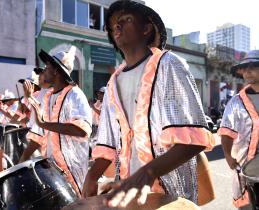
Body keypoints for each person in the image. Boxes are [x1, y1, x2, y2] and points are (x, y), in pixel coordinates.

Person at [82, 0, 214, 208]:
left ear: (146, 28)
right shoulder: (112, 83)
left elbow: (194, 140)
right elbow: (107, 145)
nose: (117, 26)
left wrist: (148, 172)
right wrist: (92, 175)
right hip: (128, 196)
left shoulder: (170, 65)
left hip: (170, 196)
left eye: (126, 20)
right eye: (113, 24)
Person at [28, 47, 92, 196]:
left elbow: (81, 130)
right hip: (52, 168)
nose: (44, 70)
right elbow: (40, 133)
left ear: (56, 71)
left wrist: (43, 123)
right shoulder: (48, 97)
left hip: (72, 170)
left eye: (47, 67)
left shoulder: (75, 95)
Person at [218, 50, 259, 210]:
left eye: (253, 66)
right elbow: (227, 132)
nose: (247, 71)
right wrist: (228, 155)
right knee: (247, 206)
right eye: (244, 68)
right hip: (244, 168)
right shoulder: (235, 102)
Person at [19, 68, 51, 161]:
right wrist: (27, 96)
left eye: (42, 73)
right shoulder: (39, 93)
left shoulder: (51, 93)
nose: (39, 76)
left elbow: (40, 111)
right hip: (36, 133)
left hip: (43, 134)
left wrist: (29, 96)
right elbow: (27, 111)